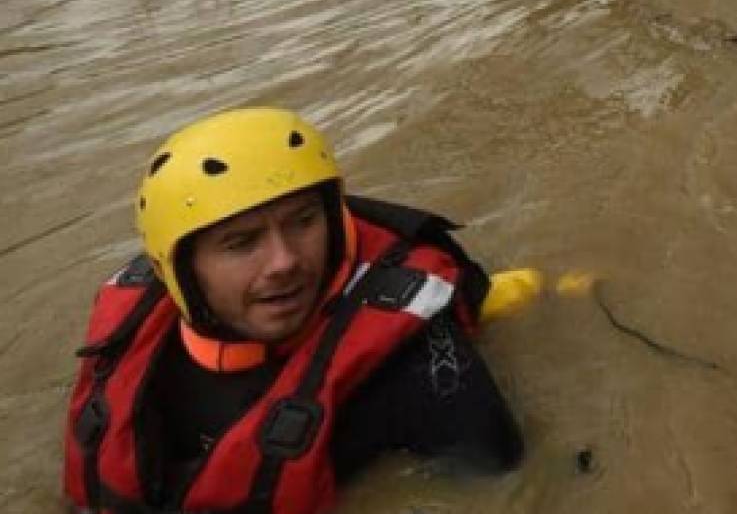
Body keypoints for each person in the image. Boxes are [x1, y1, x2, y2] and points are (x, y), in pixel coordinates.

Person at [62, 106, 524, 513]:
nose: (284, 262)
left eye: (303, 222)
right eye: (242, 243)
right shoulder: (134, 350)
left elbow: (502, 488)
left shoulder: (419, 365)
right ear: (178, 271)